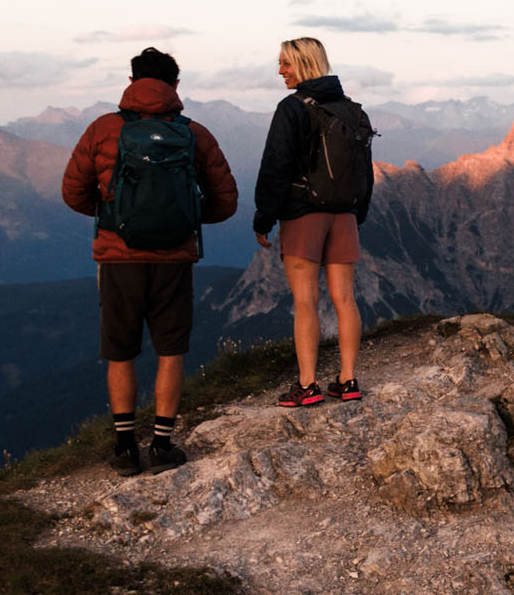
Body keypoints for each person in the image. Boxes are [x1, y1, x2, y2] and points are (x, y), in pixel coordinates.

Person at [61, 47, 240, 476]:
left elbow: (73, 191)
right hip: (174, 257)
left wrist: (114, 219)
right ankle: (162, 444)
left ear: (131, 80)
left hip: (118, 257)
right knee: (170, 349)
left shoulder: (103, 130)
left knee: (121, 351)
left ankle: (125, 448)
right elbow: (226, 201)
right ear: (175, 86)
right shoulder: (195, 133)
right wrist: (183, 219)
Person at [253, 35, 376, 407]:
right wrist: (359, 213)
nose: (280, 71)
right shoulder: (354, 111)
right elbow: (364, 171)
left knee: (306, 301)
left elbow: (276, 166)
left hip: (304, 213)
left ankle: (308, 385)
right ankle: (348, 379)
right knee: (344, 298)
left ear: (304, 64)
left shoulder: (291, 109)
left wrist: (264, 217)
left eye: (286, 64)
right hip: (345, 213)